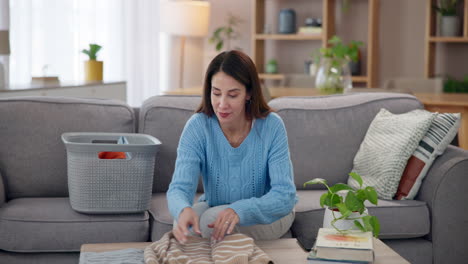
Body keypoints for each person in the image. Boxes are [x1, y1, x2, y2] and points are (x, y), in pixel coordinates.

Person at [167, 50, 297, 244]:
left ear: (249, 93)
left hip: (270, 214)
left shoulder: (272, 126)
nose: (222, 104)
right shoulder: (198, 126)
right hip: (216, 206)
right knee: (185, 223)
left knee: (211, 220)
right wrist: (183, 209)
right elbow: (179, 188)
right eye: (216, 93)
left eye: (233, 95)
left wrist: (240, 210)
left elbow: (284, 196)